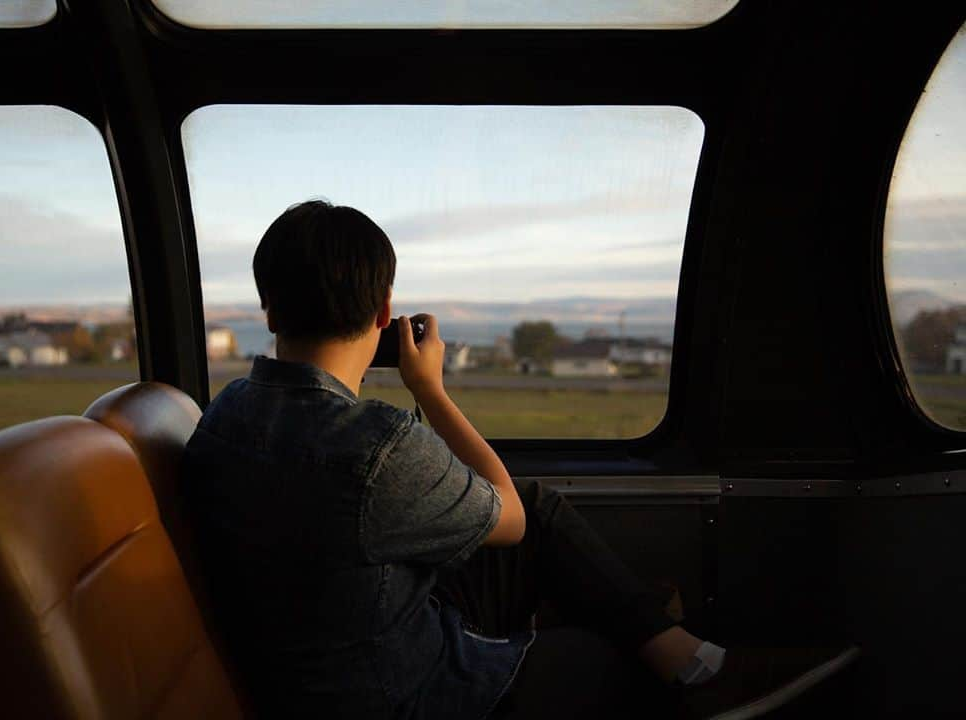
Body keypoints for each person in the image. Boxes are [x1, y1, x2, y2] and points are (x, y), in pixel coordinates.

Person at [182, 200, 856, 719]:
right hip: (401, 694)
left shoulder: (224, 413)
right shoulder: (375, 446)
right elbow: (506, 517)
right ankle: (687, 662)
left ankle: (674, 647)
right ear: (386, 311)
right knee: (585, 614)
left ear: (269, 310)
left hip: (331, 647)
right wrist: (430, 390)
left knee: (544, 513)